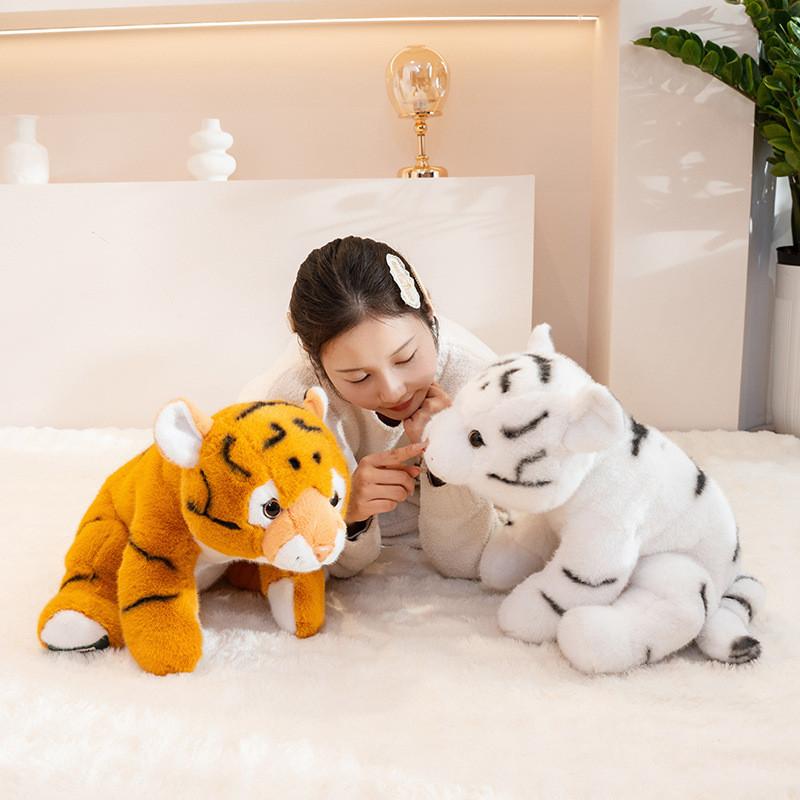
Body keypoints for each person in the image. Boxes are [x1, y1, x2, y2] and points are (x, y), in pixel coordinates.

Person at [239, 235, 508, 579]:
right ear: (316, 362)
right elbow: (329, 563)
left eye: (405, 358)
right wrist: (348, 510)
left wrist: (447, 459)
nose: (393, 391)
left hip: (452, 531)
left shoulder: (478, 381)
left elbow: (467, 559)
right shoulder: (297, 401)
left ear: (428, 310)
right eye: (360, 377)